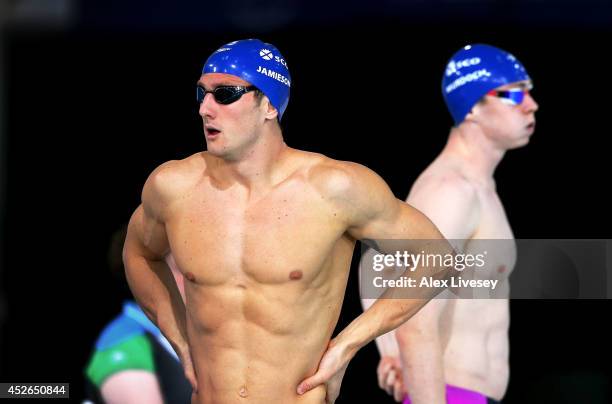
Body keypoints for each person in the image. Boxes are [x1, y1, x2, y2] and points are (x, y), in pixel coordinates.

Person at [122, 38, 458, 404]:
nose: (205, 109)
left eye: (225, 94)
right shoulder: (172, 187)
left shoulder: (334, 189)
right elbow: (139, 255)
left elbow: (437, 256)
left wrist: (348, 343)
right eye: (201, 93)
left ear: (268, 105)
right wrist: (181, 342)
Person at [365, 44, 539, 403]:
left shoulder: (475, 186)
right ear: (473, 106)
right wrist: (394, 348)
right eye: (514, 94)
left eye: (530, 91)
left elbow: (375, 260)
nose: (531, 103)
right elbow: (416, 317)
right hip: (450, 394)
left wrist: (388, 351)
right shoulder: (452, 191)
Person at [85, 228, 191, 404]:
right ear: (143, 278)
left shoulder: (201, 337)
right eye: (180, 268)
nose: (194, 278)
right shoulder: (124, 341)